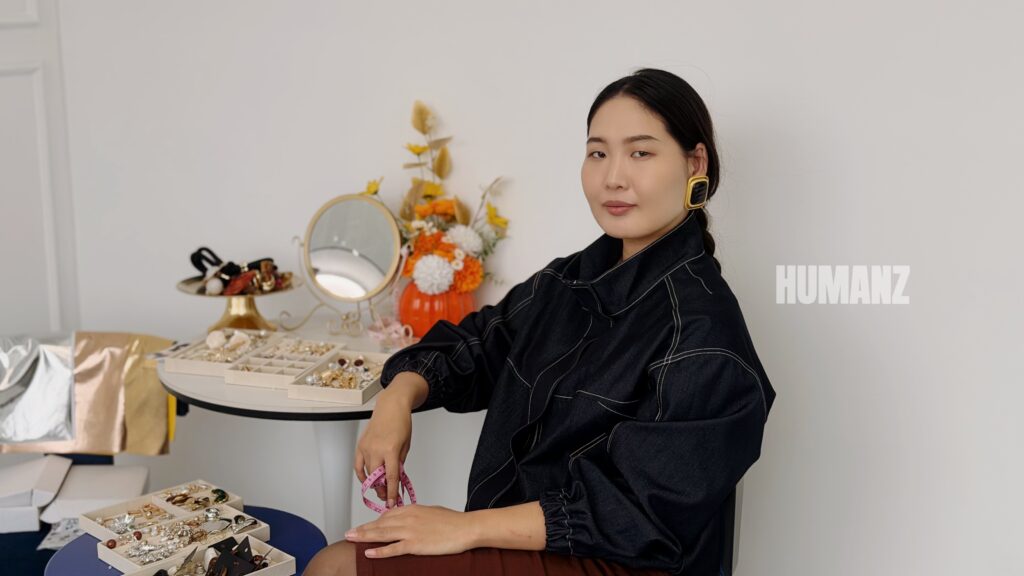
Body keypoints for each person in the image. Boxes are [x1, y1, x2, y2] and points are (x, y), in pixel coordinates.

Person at [304, 68, 777, 576]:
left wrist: (466, 529)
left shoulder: (704, 334)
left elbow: (636, 512)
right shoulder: (567, 281)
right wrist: (397, 397)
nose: (613, 177)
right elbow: (475, 345)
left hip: (617, 561)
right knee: (337, 560)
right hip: (524, 539)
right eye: (598, 153)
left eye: (641, 153)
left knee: (338, 566)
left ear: (695, 163)